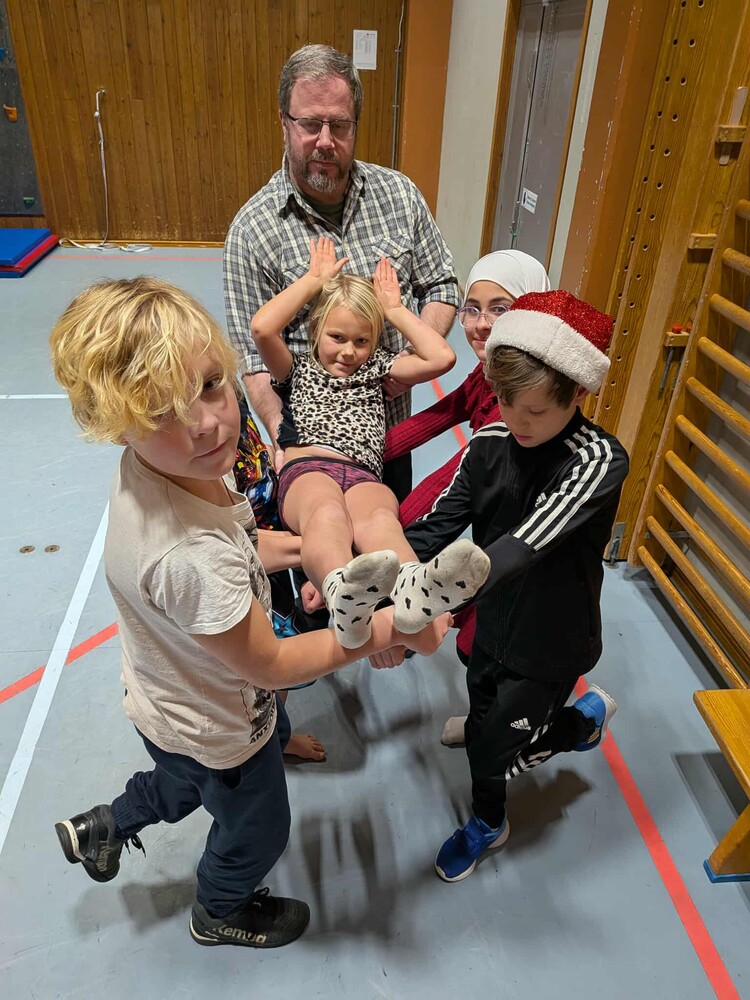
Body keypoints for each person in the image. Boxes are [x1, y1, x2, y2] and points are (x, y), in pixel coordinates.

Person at [49, 276, 452, 948]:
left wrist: (312, 553)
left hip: (169, 701)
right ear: (115, 423)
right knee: (256, 827)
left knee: (180, 781)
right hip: (223, 726)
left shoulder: (169, 472)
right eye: (161, 410)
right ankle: (219, 911)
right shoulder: (187, 554)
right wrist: (390, 627)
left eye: (211, 385)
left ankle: (107, 825)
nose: (206, 423)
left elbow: (241, 543)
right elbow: (271, 663)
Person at [403, 290, 629, 883]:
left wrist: (427, 600)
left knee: (492, 753)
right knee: (482, 707)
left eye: (535, 410)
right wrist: (369, 576)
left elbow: (521, 546)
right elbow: (435, 526)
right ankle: (503, 737)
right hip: (493, 625)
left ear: (576, 394)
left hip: (550, 642)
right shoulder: (490, 443)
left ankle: (500, 810)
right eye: (505, 402)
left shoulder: (597, 460)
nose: (516, 422)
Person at [224, 42, 460, 508]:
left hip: (388, 439)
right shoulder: (252, 231)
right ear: (284, 122)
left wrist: (406, 361)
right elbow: (254, 358)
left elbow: (441, 285)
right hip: (309, 452)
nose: (326, 141)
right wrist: (284, 437)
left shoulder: (400, 195)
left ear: (356, 124)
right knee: (321, 540)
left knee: (387, 536)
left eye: (340, 125)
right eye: (311, 124)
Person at [250, 236, 490, 650]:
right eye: (337, 337)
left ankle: (412, 588)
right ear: (316, 331)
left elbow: (442, 358)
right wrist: (312, 281)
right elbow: (262, 328)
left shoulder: (379, 368)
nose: (348, 352)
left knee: (381, 519)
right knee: (326, 514)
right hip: (309, 467)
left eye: (361, 341)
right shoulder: (296, 368)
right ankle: (340, 590)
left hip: (363, 474)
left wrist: (394, 310)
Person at [382, 250, 550, 736]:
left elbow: (453, 482)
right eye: (471, 309)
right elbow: (444, 412)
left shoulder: (521, 397)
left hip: (521, 545)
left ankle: (554, 724)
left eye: (499, 308)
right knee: (472, 643)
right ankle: (492, 722)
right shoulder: (491, 370)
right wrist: (362, 450)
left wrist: (389, 526)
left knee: (488, 646)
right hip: (492, 527)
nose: (480, 324)